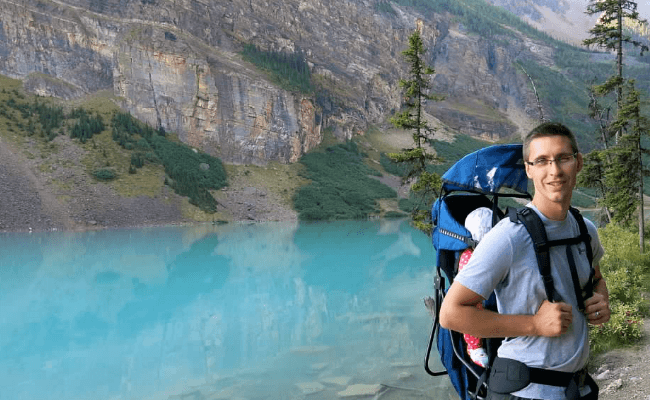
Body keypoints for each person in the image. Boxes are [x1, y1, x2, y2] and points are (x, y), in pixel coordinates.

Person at [439, 122, 610, 400]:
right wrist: (534, 325)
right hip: (525, 391)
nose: (554, 171)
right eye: (541, 161)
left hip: (577, 387)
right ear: (528, 169)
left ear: (577, 163)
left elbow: (596, 278)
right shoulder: (509, 236)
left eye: (563, 158)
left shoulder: (584, 229)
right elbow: (451, 314)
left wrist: (601, 300)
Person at [459, 207, 494, 368]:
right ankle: (474, 346)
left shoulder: (498, 252)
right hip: (476, 295)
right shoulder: (468, 257)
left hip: (495, 292)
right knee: (470, 306)